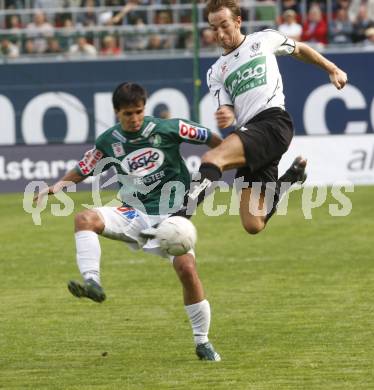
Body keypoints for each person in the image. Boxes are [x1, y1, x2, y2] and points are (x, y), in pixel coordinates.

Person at [33, 82, 222, 362]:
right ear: (116, 113)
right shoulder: (109, 141)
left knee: (187, 269)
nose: (134, 119)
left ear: (145, 107)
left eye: (138, 112)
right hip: (133, 213)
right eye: (127, 114)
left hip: (173, 216)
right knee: (84, 219)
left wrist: (224, 159)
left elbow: (211, 138)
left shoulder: (170, 128)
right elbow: (85, 167)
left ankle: (202, 342)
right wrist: (59, 185)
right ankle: (92, 283)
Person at [163, 0, 347, 235]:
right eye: (213, 28)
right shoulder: (215, 72)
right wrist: (227, 114)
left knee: (212, 158)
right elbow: (226, 108)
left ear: (238, 21)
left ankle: (177, 219)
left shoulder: (264, 39)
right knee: (253, 223)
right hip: (251, 134)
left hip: (273, 123)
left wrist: (332, 68)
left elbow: (300, 49)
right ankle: (291, 178)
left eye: (224, 25)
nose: (219, 33)